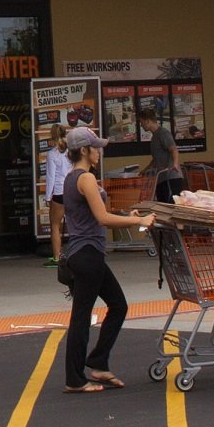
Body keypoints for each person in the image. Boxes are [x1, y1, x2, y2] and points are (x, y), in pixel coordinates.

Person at [56, 124, 149, 393]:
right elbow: (102, 218)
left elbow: (98, 213)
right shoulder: (84, 179)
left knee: (118, 306)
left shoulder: (74, 177)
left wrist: (128, 214)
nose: (99, 152)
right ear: (84, 150)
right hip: (87, 256)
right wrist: (138, 220)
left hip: (86, 254)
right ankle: (75, 379)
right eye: (96, 147)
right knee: (82, 318)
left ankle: (98, 362)